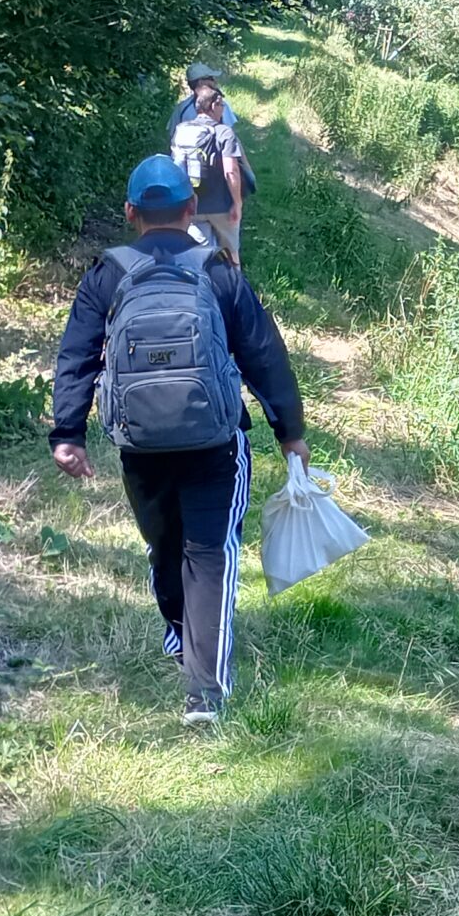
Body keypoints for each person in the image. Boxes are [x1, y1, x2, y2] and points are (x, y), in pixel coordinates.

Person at [50, 155, 308, 725]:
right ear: (192, 208)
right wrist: (289, 433)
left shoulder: (107, 275)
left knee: (164, 549)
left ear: (130, 213)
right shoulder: (217, 271)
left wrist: (68, 432)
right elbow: (263, 353)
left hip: (140, 445)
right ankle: (205, 694)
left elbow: (77, 355)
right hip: (215, 442)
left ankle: (184, 644)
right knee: (209, 555)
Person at [169, 67, 251, 262]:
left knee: (200, 255)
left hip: (193, 203)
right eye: (221, 105)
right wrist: (237, 203)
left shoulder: (181, 128)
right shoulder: (224, 132)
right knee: (231, 253)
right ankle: (234, 279)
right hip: (221, 205)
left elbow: (175, 162)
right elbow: (231, 171)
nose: (222, 108)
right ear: (214, 106)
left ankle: (202, 278)